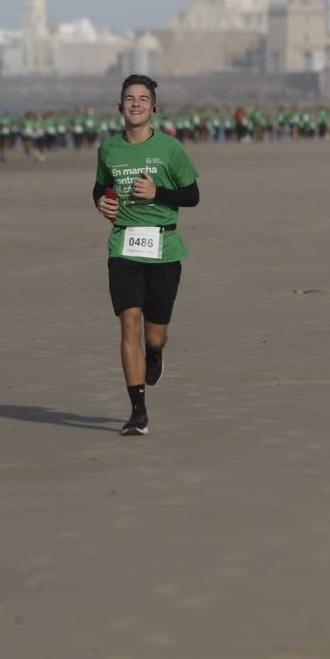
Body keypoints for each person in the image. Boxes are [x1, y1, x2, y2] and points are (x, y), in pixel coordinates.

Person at [93, 75, 201, 436]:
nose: (135, 104)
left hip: (164, 247)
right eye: (129, 98)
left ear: (154, 108)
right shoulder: (109, 149)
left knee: (154, 335)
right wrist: (101, 202)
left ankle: (154, 354)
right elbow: (100, 185)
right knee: (129, 322)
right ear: (119, 107)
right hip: (123, 245)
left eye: (143, 99)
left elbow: (192, 196)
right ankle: (137, 412)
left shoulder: (170, 149)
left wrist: (158, 193)